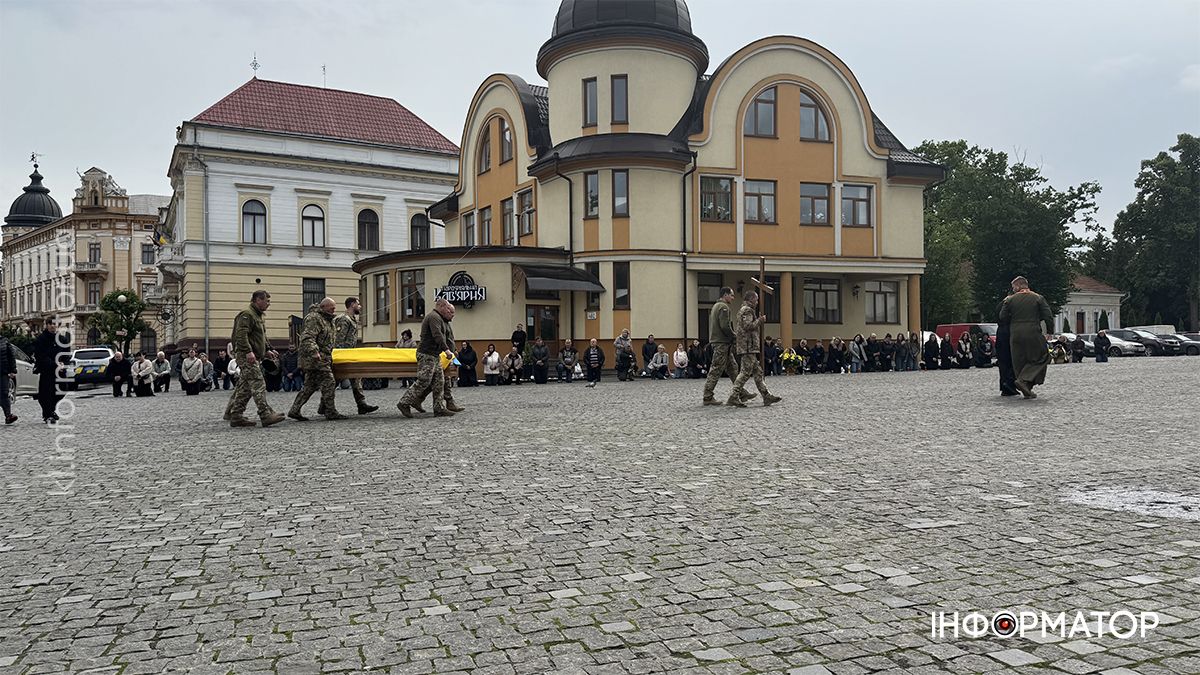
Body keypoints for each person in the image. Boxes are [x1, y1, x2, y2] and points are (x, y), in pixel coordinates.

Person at [224, 290, 286, 428]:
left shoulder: (258, 316)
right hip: (246, 356)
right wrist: (247, 351)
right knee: (258, 383)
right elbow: (241, 335)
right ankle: (265, 415)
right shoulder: (247, 314)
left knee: (245, 387)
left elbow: (261, 336)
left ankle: (235, 415)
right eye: (267, 301)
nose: (269, 304)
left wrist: (268, 349)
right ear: (257, 300)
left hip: (254, 355)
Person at [397, 298, 460, 417]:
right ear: (441, 306)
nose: (448, 310)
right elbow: (437, 335)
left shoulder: (439, 318)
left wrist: (451, 350)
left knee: (439, 382)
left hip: (434, 355)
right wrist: (446, 350)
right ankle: (404, 403)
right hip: (426, 354)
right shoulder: (433, 317)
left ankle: (439, 408)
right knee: (424, 381)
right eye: (447, 308)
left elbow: (447, 336)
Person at [287, 298, 348, 421]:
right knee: (330, 382)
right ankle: (330, 411)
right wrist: (314, 351)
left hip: (323, 357)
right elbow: (308, 336)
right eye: (332, 308)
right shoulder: (314, 318)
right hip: (315, 358)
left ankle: (294, 410)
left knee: (309, 386)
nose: (334, 310)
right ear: (324, 307)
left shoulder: (327, 320)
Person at [999, 276, 1055, 399]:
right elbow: (1048, 316)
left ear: (1019, 286)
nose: (1013, 289)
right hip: (1033, 332)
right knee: (1042, 356)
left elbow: (1002, 317)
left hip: (1015, 334)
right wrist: (1050, 331)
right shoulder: (1038, 298)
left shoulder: (1009, 300)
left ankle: (1027, 389)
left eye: (1014, 287)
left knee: (1019, 361)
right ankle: (1024, 381)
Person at [728, 291, 782, 408]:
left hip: (750, 346)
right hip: (748, 346)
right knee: (745, 373)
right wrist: (760, 320)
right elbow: (748, 326)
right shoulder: (746, 310)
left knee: (758, 372)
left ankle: (766, 395)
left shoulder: (746, 310)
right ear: (751, 299)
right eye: (756, 300)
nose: (757, 302)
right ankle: (733, 396)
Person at [332, 297, 378, 414]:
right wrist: (340, 357)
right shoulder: (344, 319)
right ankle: (324, 405)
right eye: (358, 304)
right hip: (343, 356)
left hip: (350, 355)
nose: (360, 306)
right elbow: (339, 340)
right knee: (334, 382)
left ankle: (361, 404)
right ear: (352, 305)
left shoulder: (352, 319)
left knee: (356, 378)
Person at [702, 287, 746, 406]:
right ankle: (707, 396)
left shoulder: (716, 306)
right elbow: (725, 326)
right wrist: (734, 336)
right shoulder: (724, 307)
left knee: (732, 368)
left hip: (721, 342)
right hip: (722, 342)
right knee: (716, 369)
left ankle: (741, 392)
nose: (732, 298)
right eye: (731, 295)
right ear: (725, 295)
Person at [33, 319, 68, 424]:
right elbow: (40, 355)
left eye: (55, 324)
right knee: (46, 393)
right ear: (47, 325)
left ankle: (51, 409)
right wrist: (53, 363)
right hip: (47, 370)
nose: (53, 326)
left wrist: (63, 363)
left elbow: (66, 352)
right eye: (51, 324)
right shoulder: (41, 339)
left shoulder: (62, 339)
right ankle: (47, 414)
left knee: (62, 389)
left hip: (60, 370)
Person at [995, 299, 1018, 396]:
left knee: (1003, 362)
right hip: (1009, 333)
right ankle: (1009, 384)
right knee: (1011, 360)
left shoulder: (999, 304)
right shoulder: (1010, 305)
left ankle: (1004, 385)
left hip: (1000, 333)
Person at [1, 333, 20, 424]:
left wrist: (13, 370)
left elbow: (11, 356)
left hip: (3, 372)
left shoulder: (4, 340)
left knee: (4, 393)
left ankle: (8, 416)